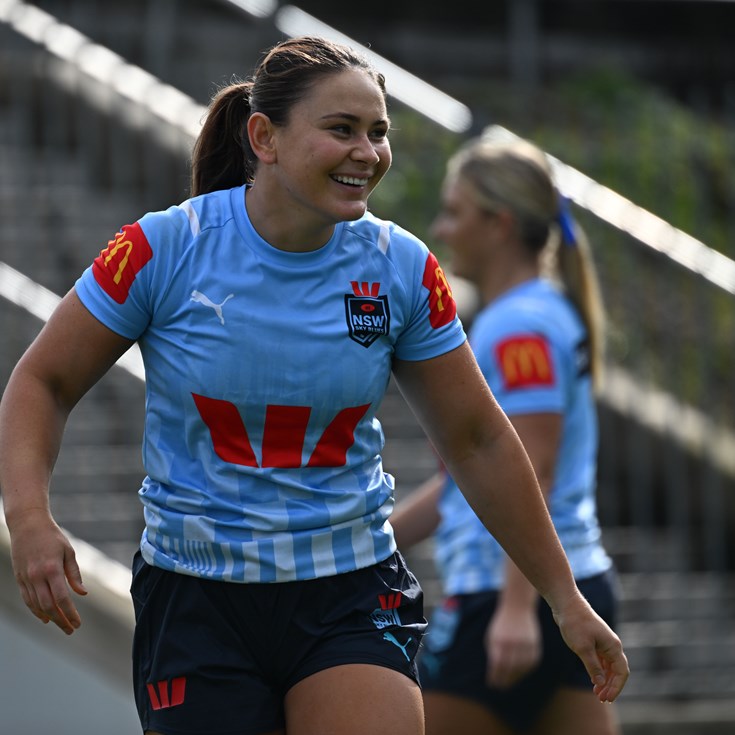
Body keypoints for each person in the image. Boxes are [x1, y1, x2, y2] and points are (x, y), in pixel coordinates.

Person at [0, 36, 627, 735]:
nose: (368, 153)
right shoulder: (162, 248)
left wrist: (564, 597)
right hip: (196, 597)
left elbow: (478, 441)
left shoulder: (401, 267)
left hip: (349, 589)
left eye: (378, 132)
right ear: (263, 137)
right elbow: (43, 380)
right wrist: (28, 517)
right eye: (342, 129)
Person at [390, 136, 622, 735]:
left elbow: (530, 469)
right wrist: (376, 543)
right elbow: (472, 480)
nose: (440, 229)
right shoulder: (536, 313)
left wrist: (517, 608)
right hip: (569, 583)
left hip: (509, 593)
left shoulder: (521, 326)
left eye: (454, 212)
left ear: (499, 224)